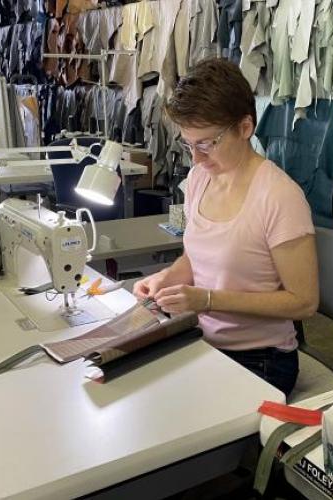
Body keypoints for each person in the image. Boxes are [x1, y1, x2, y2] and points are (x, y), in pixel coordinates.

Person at [133, 59, 319, 396]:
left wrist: (207, 300)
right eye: (188, 145)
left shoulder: (280, 197)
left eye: (206, 144)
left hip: (261, 359)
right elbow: (197, 256)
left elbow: (304, 302)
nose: (196, 158)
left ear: (245, 127)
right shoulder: (199, 179)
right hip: (202, 339)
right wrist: (165, 279)